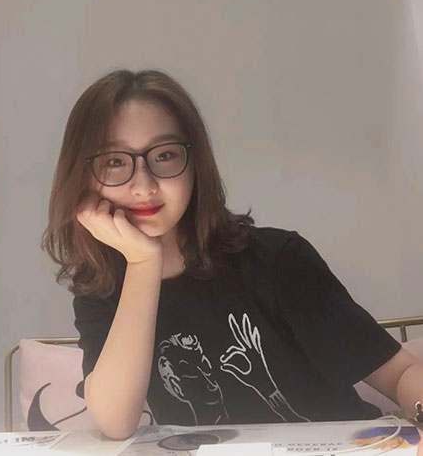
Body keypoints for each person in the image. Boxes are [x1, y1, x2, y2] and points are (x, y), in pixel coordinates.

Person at [41, 68, 423, 440]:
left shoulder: (276, 261)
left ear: (195, 164)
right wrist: (143, 262)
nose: (144, 185)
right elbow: (115, 422)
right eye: (114, 162)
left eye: (165, 155)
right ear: (83, 176)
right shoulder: (102, 290)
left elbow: (400, 374)